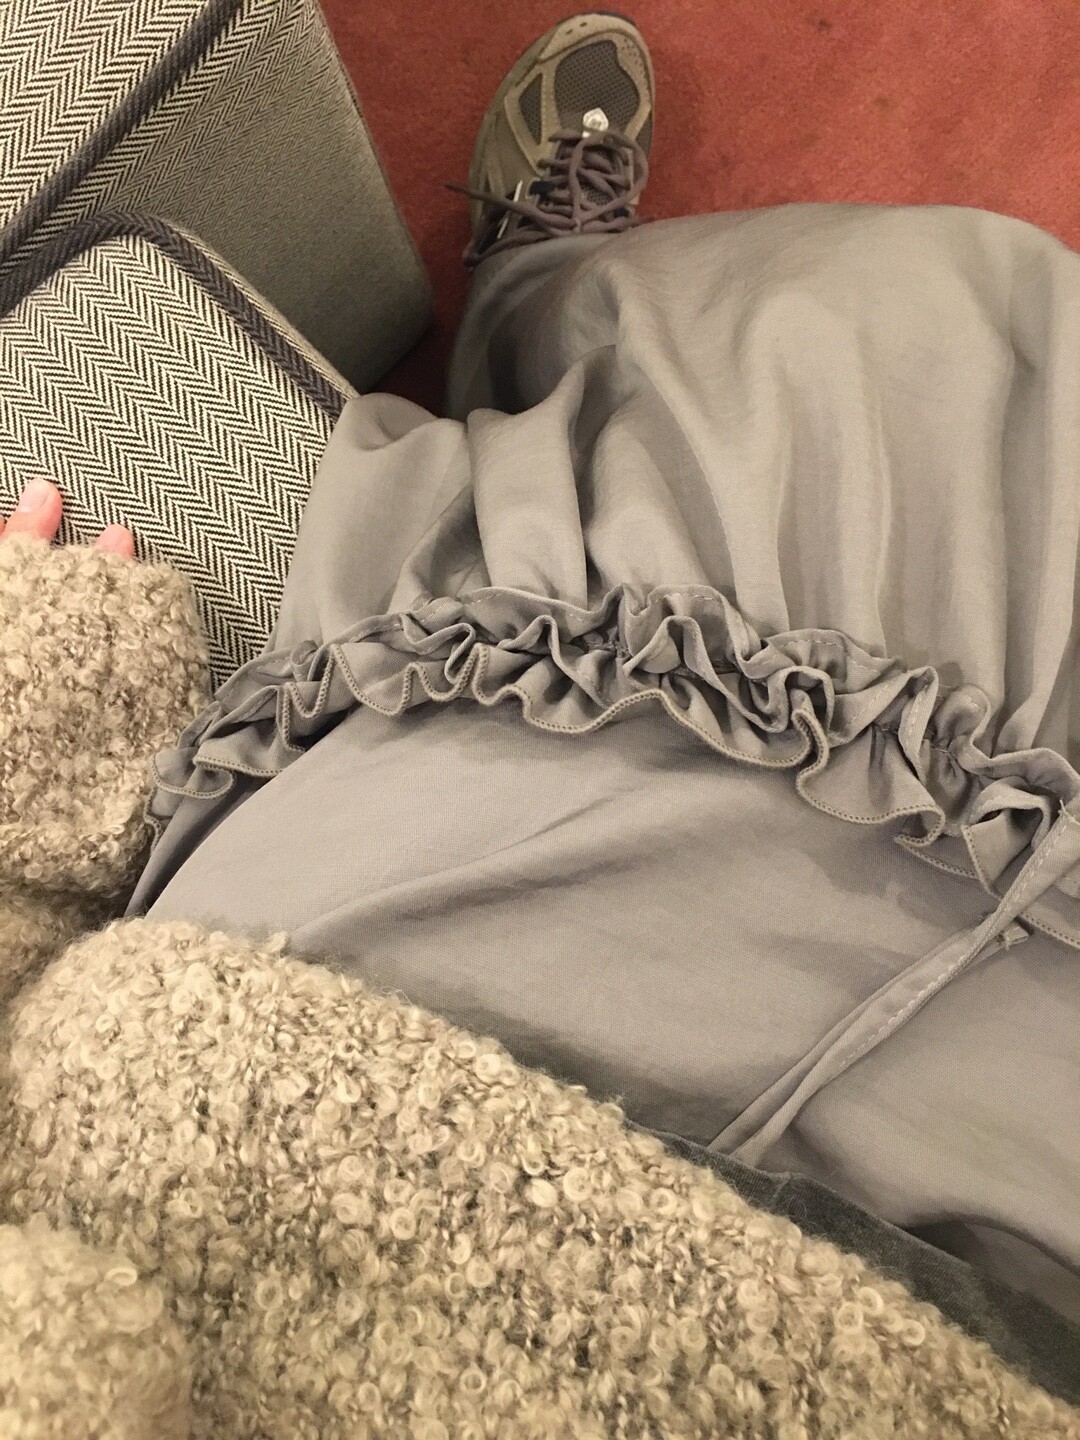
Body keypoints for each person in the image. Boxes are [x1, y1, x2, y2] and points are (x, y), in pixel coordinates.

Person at [2, 15, 1078, 1421]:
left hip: (322, 1057)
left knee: (819, 400)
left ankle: (539, 294)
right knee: (991, 412)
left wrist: (35, 729)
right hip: (1001, 1252)